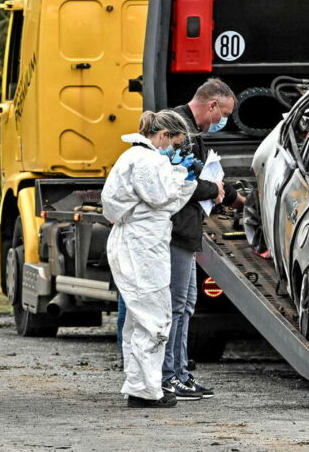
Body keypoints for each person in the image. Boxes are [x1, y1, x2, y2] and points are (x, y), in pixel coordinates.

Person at [102, 110, 198, 408]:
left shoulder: (135, 157)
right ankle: (145, 391)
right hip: (142, 246)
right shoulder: (147, 160)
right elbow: (160, 197)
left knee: (139, 318)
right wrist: (180, 174)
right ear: (164, 135)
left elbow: (166, 202)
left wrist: (183, 180)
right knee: (153, 317)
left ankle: (141, 385)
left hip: (140, 241)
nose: (174, 150)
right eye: (175, 143)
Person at [161, 78, 245, 401]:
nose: (223, 121)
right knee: (175, 306)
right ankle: (170, 375)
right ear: (212, 106)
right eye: (223, 114)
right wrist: (215, 191)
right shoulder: (178, 130)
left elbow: (206, 176)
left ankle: (181, 372)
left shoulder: (193, 132)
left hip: (188, 231)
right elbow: (180, 183)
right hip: (177, 231)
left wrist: (232, 197)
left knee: (186, 305)